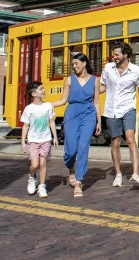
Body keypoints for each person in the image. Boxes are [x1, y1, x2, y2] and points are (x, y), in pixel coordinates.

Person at [100, 41, 139, 189]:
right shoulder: (108, 69)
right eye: (113, 54)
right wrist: (91, 93)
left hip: (128, 108)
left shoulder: (136, 70)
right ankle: (118, 174)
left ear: (126, 55)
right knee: (115, 141)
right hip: (111, 110)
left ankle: (135, 174)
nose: (114, 57)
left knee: (130, 139)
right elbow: (102, 86)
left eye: (117, 54)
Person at [52, 52, 100, 197]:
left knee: (83, 147)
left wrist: (99, 121)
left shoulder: (95, 80)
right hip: (72, 113)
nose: (74, 67)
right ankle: (71, 169)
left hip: (88, 114)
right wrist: (45, 105)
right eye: (73, 64)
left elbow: (96, 102)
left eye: (76, 64)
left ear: (84, 63)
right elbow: (62, 100)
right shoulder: (69, 80)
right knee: (71, 150)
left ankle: (79, 181)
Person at [20, 81, 58, 199]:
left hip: (46, 139)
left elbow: (51, 122)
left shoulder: (48, 106)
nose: (44, 91)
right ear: (34, 94)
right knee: (35, 165)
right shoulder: (28, 109)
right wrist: (23, 141)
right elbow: (25, 126)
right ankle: (32, 177)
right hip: (33, 140)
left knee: (43, 164)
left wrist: (55, 136)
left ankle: (42, 186)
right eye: (41, 89)